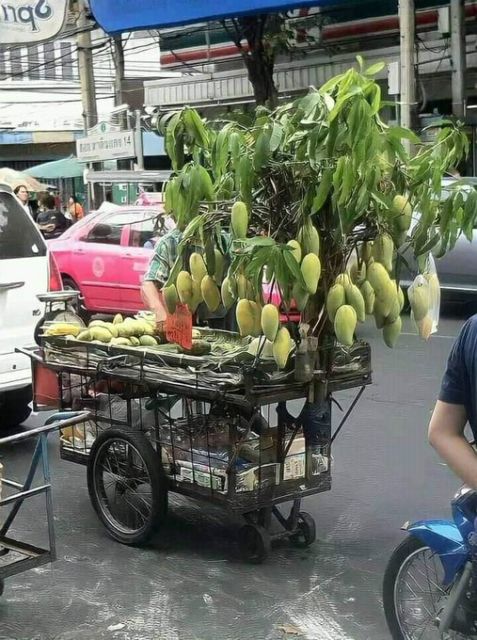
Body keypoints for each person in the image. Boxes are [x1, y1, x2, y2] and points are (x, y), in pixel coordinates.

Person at [141, 226, 232, 335]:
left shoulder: (223, 240)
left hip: (219, 321)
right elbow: (149, 282)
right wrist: (158, 311)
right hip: (179, 319)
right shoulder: (169, 242)